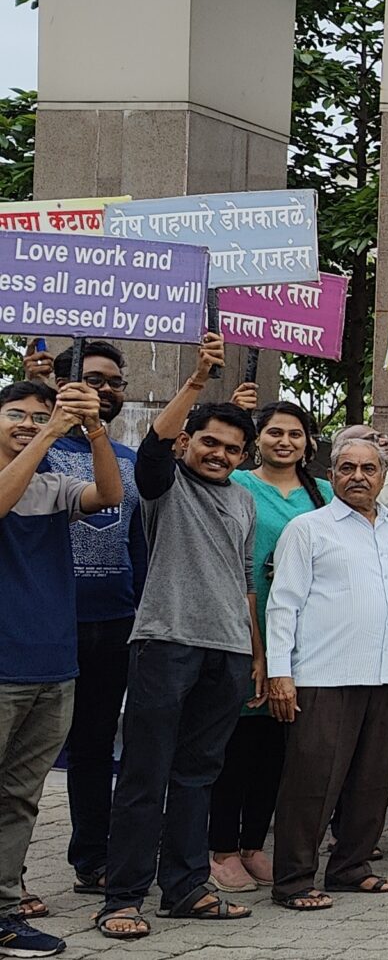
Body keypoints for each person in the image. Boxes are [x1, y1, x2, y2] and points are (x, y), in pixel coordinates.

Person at [96, 336, 264, 937]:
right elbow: (150, 448)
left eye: (231, 449)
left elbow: (244, 580)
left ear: (244, 457)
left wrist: (255, 655)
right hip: (165, 643)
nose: (218, 455)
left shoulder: (244, 501)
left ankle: (187, 886)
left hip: (228, 651)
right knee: (146, 773)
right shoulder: (163, 487)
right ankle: (122, 898)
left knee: (198, 774)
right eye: (209, 443)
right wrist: (196, 380)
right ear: (188, 442)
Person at [263, 434, 388, 912]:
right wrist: (280, 673)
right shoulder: (308, 528)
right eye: (347, 468)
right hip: (324, 675)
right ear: (331, 474)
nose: (359, 476)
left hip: (387, 675)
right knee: (312, 782)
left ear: (382, 475)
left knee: (374, 779)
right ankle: (293, 881)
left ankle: (351, 867)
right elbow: (283, 606)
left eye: (369, 469)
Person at [0, 377, 119, 957]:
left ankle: (3, 913)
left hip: (54, 667)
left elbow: (110, 494)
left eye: (39, 413)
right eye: (15, 413)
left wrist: (93, 425)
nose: (27, 420)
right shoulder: (14, 480)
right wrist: (50, 429)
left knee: (21, 798)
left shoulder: (52, 486)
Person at [209, 399, 330, 896]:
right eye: (275, 432)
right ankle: (219, 850)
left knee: (276, 748)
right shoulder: (235, 484)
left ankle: (255, 844)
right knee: (235, 742)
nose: (286, 442)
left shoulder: (322, 493)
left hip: (304, 634)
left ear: (309, 443)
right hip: (241, 624)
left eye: (296, 434)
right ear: (257, 439)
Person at [41, 341, 141, 904]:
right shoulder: (37, 448)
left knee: (97, 747)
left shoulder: (124, 459)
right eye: (94, 378)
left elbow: (138, 544)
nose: (106, 390)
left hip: (116, 623)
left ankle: (94, 857)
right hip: (49, 623)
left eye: (115, 382)